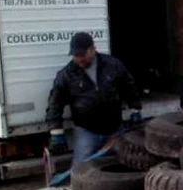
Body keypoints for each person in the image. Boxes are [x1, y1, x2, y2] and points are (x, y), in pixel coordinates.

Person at [45, 32, 142, 164]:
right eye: (75, 56)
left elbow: (128, 86)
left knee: (125, 163)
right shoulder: (66, 75)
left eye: (82, 55)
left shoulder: (112, 65)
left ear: (93, 50)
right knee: (81, 170)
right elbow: (55, 103)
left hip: (114, 129)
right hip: (87, 131)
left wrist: (135, 109)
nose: (79, 59)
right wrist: (56, 131)